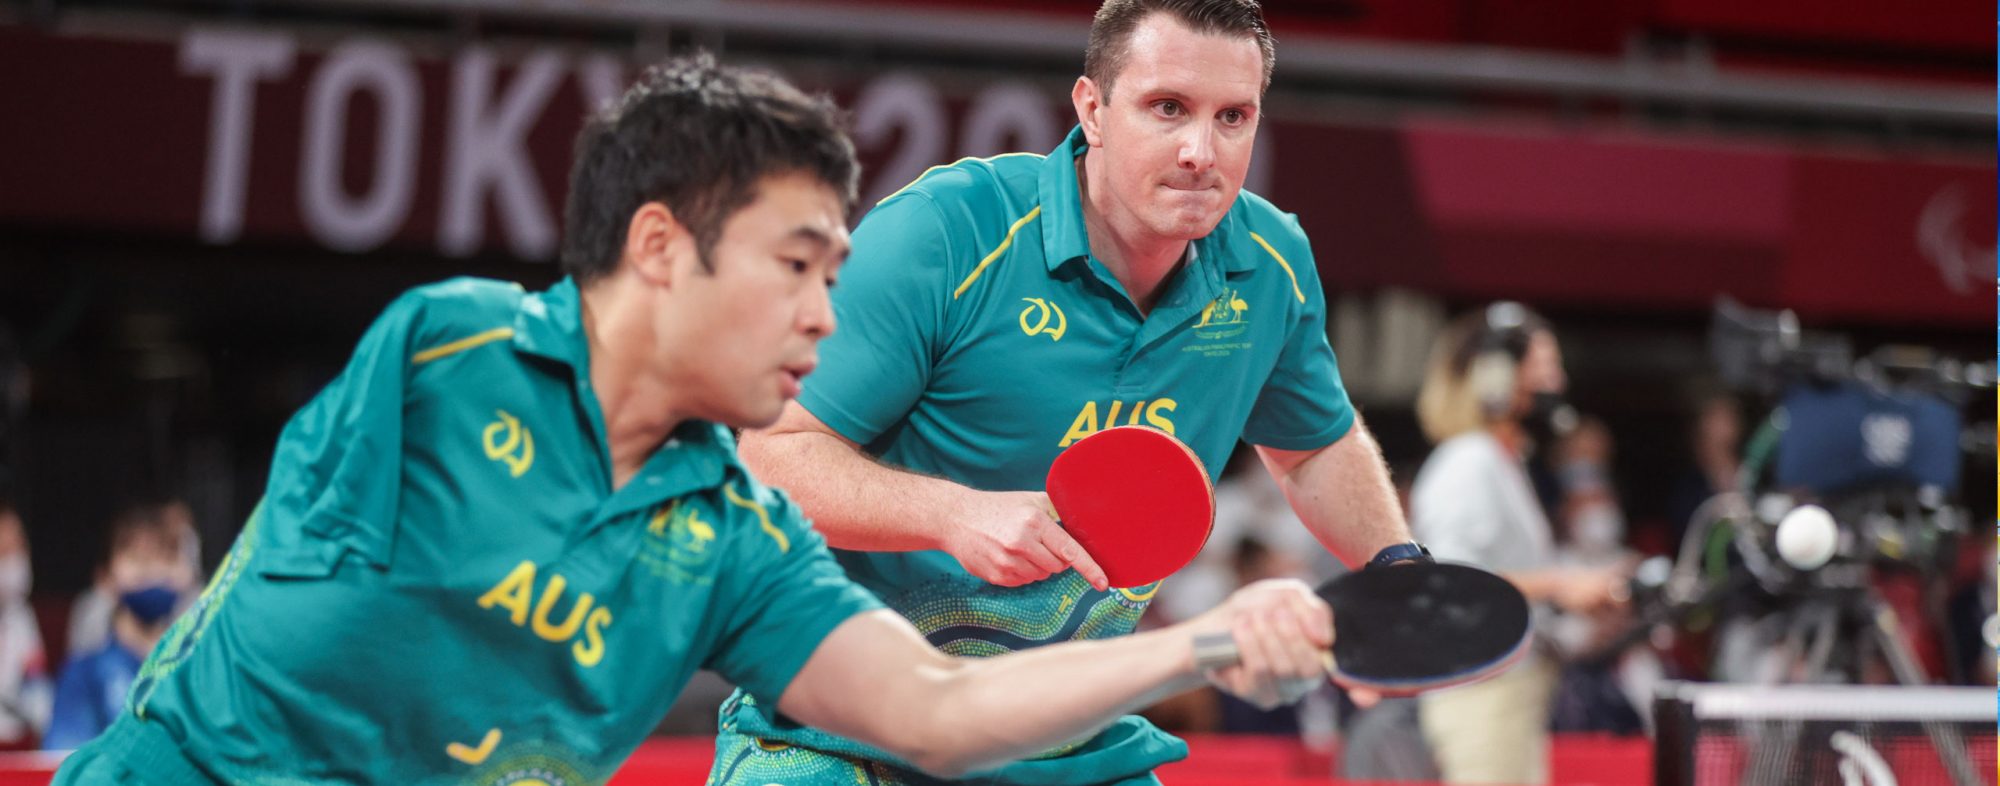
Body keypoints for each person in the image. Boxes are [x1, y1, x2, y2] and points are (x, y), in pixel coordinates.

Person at [51, 54, 1337, 786]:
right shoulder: (450, 351)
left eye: (836, 277)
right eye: (792, 269)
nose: (826, 321)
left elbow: (939, 710)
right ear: (661, 249)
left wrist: (1205, 646)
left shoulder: (739, 544)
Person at [721, 2, 1421, 783]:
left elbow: (1314, 448)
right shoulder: (947, 233)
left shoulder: (1270, 263)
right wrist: (952, 514)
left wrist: (1399, 573)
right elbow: (766, 457)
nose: (1201, 150)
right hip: (839, 729)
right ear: (1092, 107)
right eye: (1167, 108)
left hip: (1067, 741)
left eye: (1233, 116)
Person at [1407, 302, 1630, 784]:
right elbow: (1450, 579)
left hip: (1509, 688)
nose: (1557, 384)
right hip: (1478, 695)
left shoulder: (1502, 462)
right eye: (1544, 368)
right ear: (1494, 375)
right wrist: (1559, 584)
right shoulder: (1468, 461)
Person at [46, 504, 198, 750]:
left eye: (166, 556)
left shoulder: (201, 672)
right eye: (138, 558)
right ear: (105, 576)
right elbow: (65, 762)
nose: (153, 570)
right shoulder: (83, 675)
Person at [66, 500, 201, 659]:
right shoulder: (96, 629)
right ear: (105, 573)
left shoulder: (194, 629)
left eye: (160, 555)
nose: (148, 569)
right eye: (135, 557)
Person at [0, 499, 49, 750]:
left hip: (17, 746)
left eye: (19, 547)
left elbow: (36, 690)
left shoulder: (21, 618)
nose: (13, 562)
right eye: (3, 551)